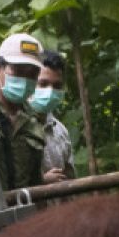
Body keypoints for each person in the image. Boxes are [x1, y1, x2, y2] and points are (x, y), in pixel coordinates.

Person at [0, 33, 48, 191]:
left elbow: (34, 184)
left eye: (32, 74)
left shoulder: (34, 120)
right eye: (18, 71)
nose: (25, 80)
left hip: (19, 211)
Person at [31, 49, 76, 184]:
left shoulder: (60, 131)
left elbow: (70, 178)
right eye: (43, 84)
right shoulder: (14, 127)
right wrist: (42, 181)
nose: (50, 91)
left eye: (57, 85)